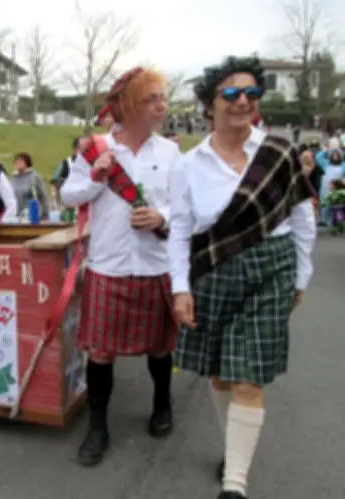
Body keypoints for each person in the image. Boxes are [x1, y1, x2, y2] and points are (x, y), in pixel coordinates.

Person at [168, 56, 316, 499]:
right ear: (209, 104)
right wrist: (180, 288)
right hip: (214, 271)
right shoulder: (188, 165)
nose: (242, 101)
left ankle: (234, 485)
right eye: (231, 93)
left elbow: (303, 216)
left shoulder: (279, 153)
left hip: (272, 268)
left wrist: (301, 276)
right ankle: (235, 451)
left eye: (252, 93)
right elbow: (178, 231)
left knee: (249, 376)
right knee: (221, 374)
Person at [60, 67, 180, 467]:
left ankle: (162, 404)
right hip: (109, 265)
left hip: (154, 265)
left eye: (163, 97)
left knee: (161, 347)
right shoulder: (95, 148)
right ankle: (98, 427)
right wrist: (97, 175)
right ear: (128, 105)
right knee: (101, 352)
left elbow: (185, 208)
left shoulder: (170, 152)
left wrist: (161, 218)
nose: (162, 105)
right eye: (152, 98)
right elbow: (68, 195)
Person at [10, 152, 49, 220]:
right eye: (16, 161)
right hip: (15, 217)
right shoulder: (13, 178)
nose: (17, 162)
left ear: (27, 163)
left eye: (20, 160)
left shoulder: (35, 177)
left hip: (32, 216)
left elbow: (43, 196)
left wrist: (45, 214)